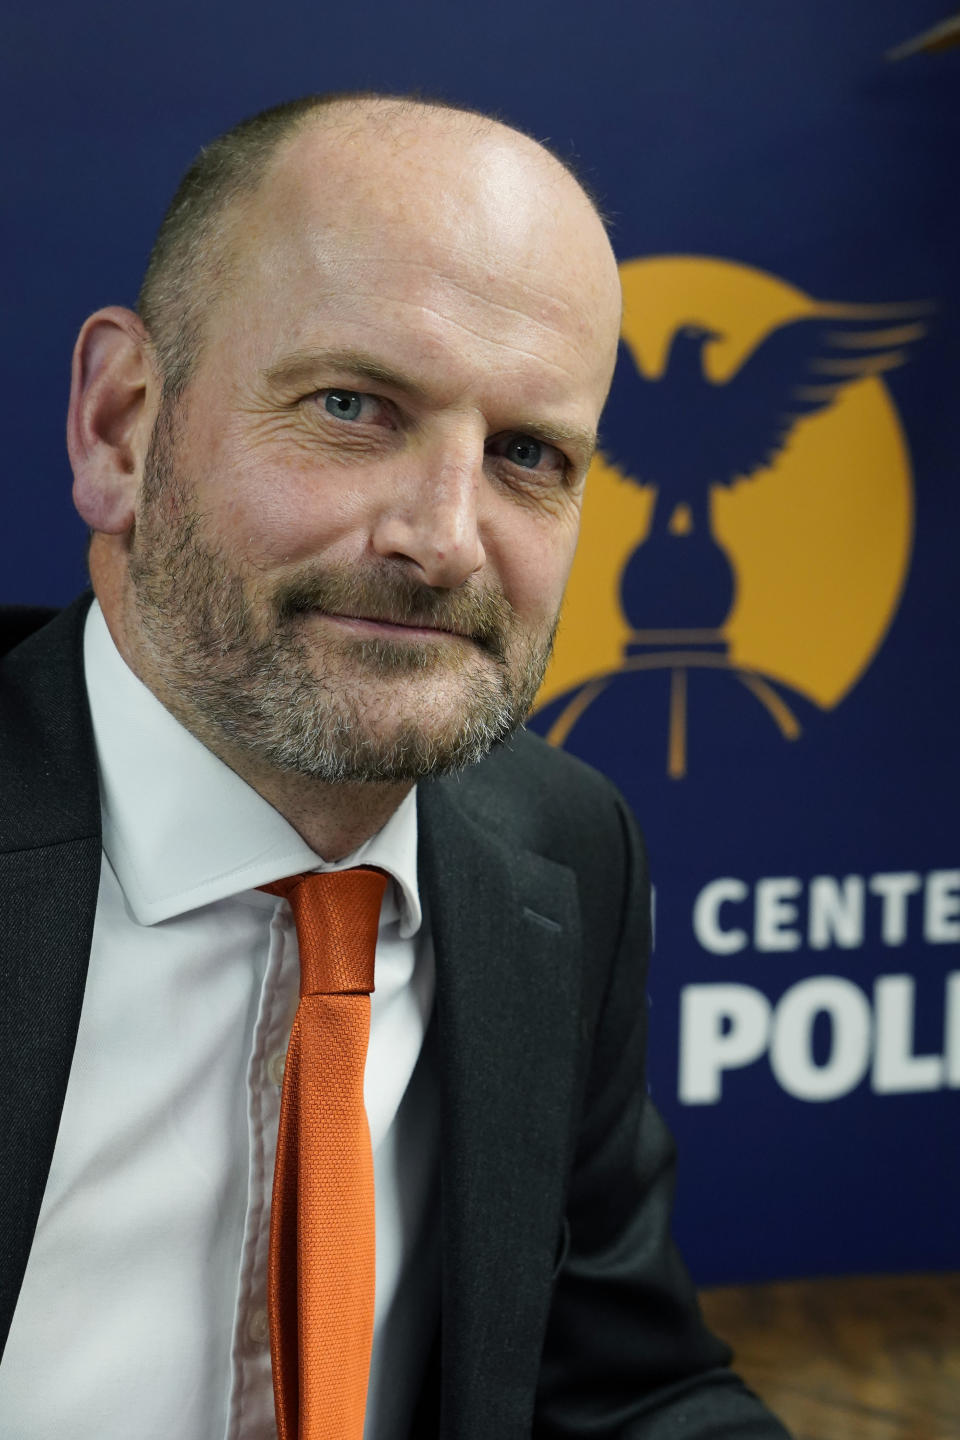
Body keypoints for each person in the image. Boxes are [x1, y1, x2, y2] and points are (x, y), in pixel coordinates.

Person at [0, 93, 790, 1438]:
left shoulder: (564, 852)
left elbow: (620, 1392)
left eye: (528, 455)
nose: (447, 539)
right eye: (354, 406)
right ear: (121, 425)